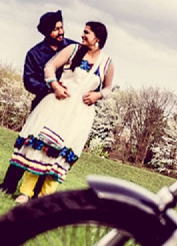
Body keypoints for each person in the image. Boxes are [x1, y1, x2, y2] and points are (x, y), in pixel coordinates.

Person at [9, 21, 114, 204]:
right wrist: (55, 85)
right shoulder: (73, 50)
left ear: (97, 38)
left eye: (86, 33)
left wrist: (98, 95)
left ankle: (44, 199)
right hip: (57, 106)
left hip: (79, 114)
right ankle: (25, 193)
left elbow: (108, 88)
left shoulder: (107, 63)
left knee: (61, 155)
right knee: (41, 147)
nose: (82, 35)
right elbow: (50, 67)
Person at [0, 10, 77, 195]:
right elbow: (29, 81)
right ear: (46, 32)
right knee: (28, 144)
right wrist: (51, 88)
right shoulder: (34, 54)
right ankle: (8, 185)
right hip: (43, 105)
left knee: (51, 151)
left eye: (61, 27)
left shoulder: (74, 48)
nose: (60, 32)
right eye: (55, 29)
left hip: (66, 109)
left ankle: (36, 193)